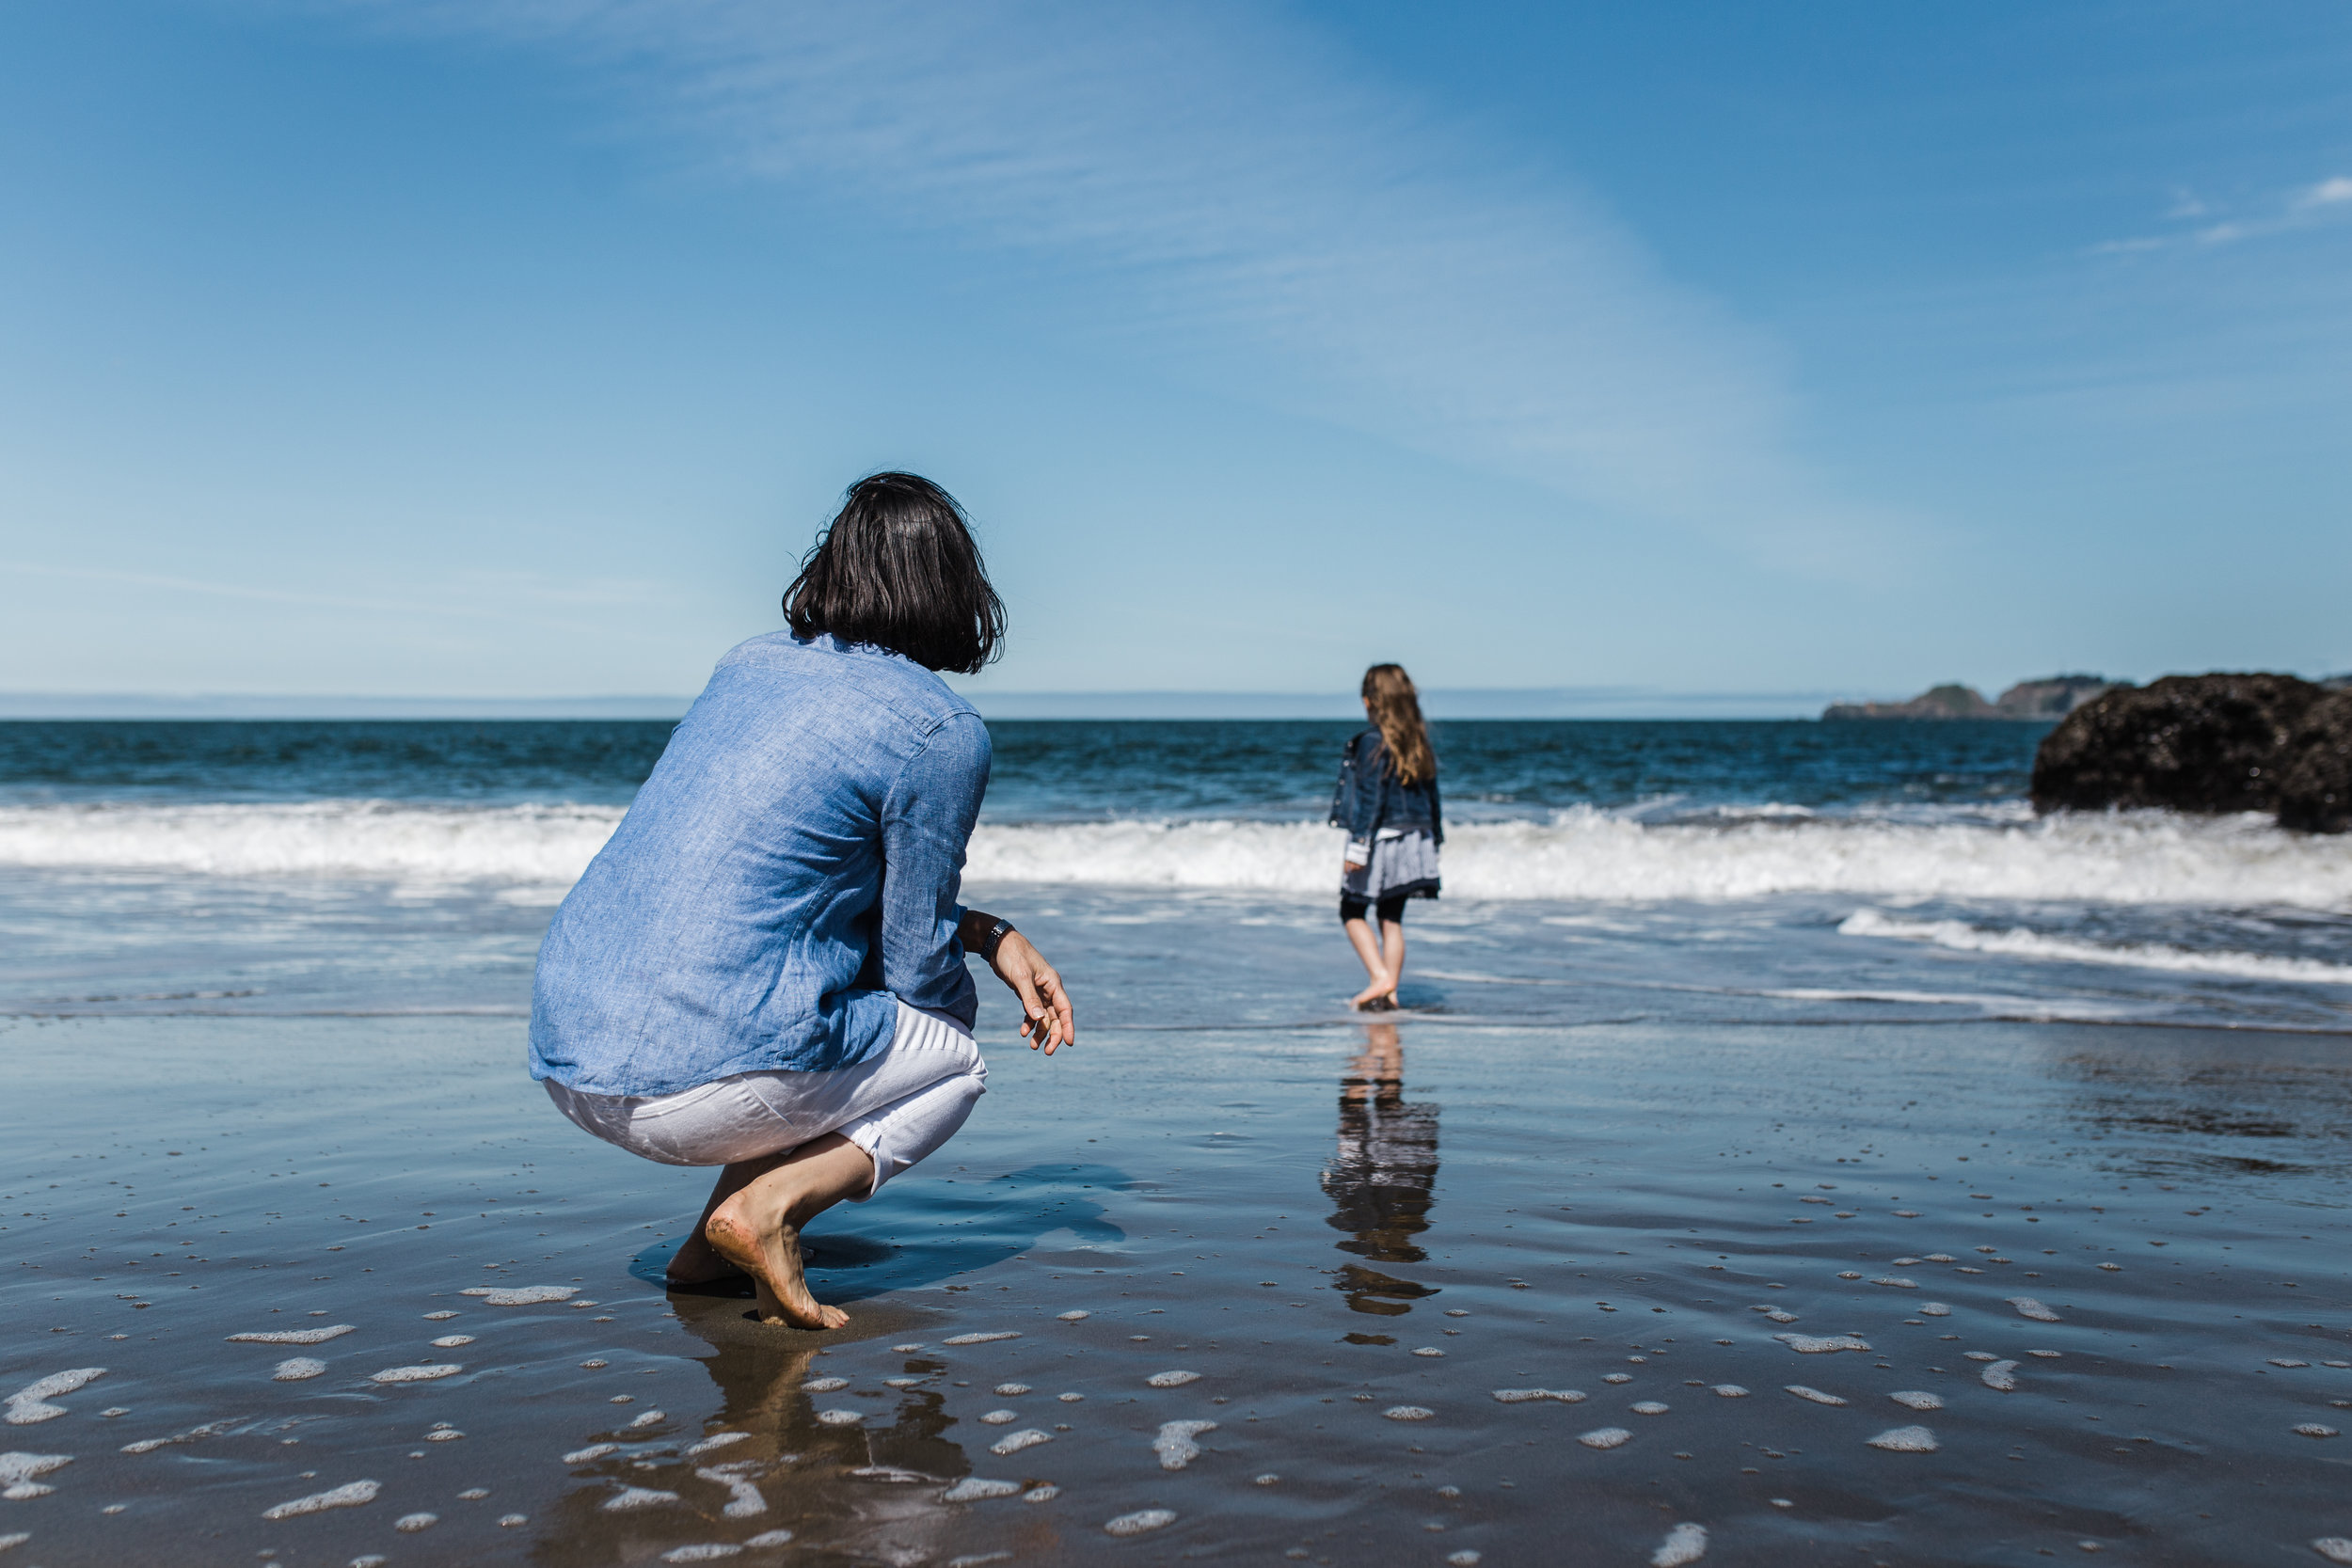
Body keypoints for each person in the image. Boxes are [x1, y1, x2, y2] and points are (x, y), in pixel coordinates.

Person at [528, 472, 1074, 1331]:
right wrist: (964, 981)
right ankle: (766, 1210)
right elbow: (915, 964)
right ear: (956, 590)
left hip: (568, 1049)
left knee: (804, 1012)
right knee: (953, 1059)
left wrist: (988, 933)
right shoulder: (941, 728)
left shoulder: (747, 663)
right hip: (688, 1082)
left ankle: (708, 1250)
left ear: (833, 566)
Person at [1328, 663, 1442, 1010]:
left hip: (1383, 838)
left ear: (1370, 701)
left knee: (1351, 910)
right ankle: (1389, 994)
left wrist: (1359, 846)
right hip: (1415, 837)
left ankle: (1380, 978)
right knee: (1391, 917)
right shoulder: (1417, 741)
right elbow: (1433, 796)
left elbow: (1369, 798)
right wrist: (1435, 838)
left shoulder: (1372, 743)